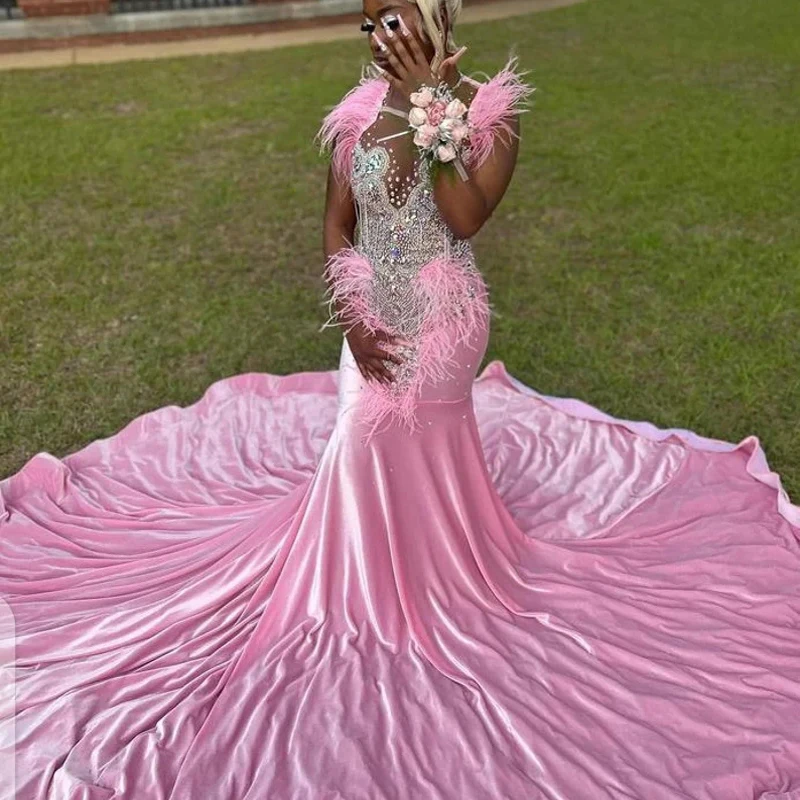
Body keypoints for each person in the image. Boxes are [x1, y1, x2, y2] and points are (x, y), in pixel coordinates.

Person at [1, 0, 799, 797]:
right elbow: (335, 223)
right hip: (371, 317)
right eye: (371, 22)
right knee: (356, 436)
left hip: (444, 320)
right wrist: (352, 323)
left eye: (395, 16)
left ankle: (437, 586)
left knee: (409, 448)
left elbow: (464, 213)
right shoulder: (350, 118)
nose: (381, 35)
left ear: (433, 18)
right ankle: (354, 589)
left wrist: (430, 111)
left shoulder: (491, 112)